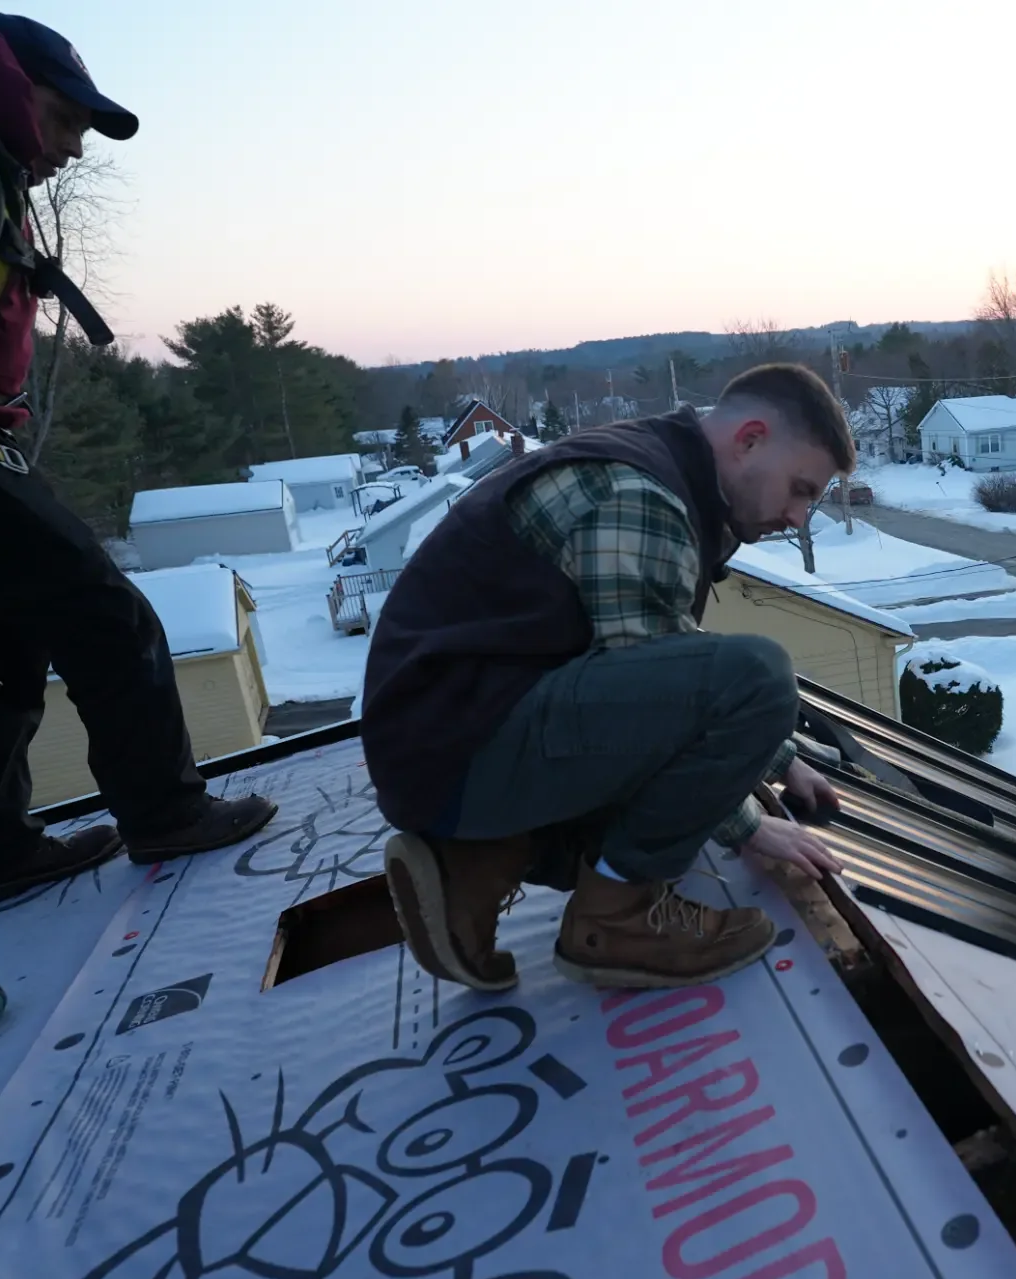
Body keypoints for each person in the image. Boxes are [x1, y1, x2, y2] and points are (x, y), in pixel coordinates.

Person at [364, 363, 852, 993]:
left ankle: (475, 867)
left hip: (445, 743)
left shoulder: (654, 464)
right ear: (750, 439)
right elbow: (660, 686)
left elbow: (658, 655)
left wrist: (779, 760)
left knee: (668, 785)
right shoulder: (640, 494)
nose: (797, 516)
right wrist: (748, 826)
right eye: (801, 489)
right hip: (458, 751)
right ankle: (617, 919)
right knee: (760, 674)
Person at [0, 13, 277, 915]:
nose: (74, 151)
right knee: (101, 611)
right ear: (18, 90)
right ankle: (165, 811)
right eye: (66, 123)